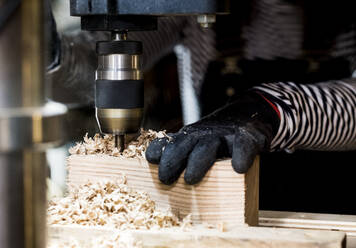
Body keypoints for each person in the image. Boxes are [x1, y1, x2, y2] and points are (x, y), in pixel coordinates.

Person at [47, 0, 356, 185]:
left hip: (331, 211)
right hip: (219, 215)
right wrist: (48, 56)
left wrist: (268, 110)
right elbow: (89, 71)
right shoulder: (199, 13)